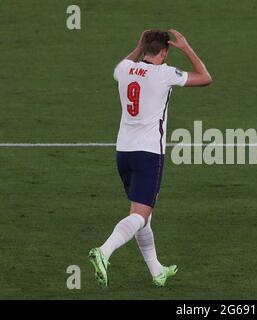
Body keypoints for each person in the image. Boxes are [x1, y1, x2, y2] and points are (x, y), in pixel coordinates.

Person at [88, 29, 212, 287]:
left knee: (142, 214)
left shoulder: (124, 69)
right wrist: (187, 48)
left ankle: (156, 271)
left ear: (144, 49)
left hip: (123, 153)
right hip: (148, 154)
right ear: (164, 52)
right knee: (140, 216)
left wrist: (138, 46)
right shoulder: (164, 73)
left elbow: (125, 64)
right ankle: (104, 251)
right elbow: (205, 78)